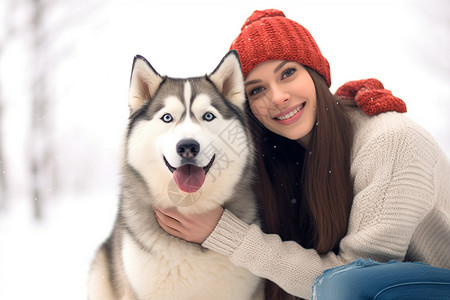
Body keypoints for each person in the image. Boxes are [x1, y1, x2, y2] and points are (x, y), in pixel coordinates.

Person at [154, 9, 450, 300]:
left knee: (347, 285)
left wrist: (225, 233)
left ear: (315, 73)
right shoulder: (285, 154)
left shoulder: (391, 142)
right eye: (256, 91)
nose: (278, 97)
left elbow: (354, 282)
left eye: (288, 73)